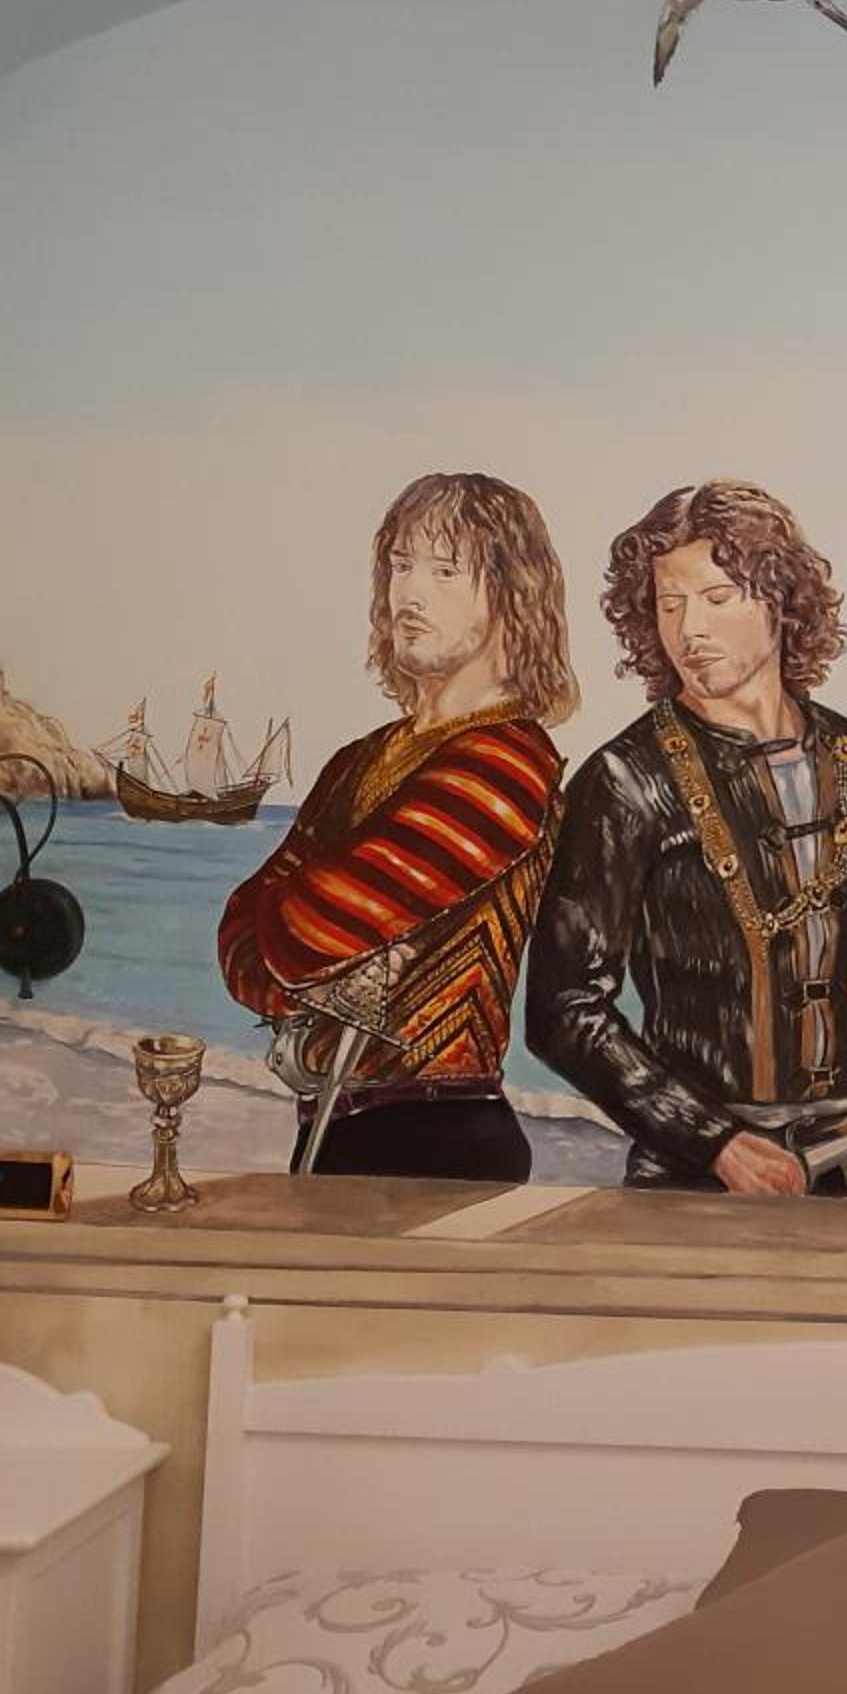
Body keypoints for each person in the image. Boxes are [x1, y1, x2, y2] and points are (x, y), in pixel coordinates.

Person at [526, 479, 847, 1195]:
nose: (689, 630)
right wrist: (711, 1140)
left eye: (717, 598)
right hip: (691, 1174)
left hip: (844, 1147)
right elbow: (563, 1010)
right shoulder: (623, 777)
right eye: (668, 604)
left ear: (780, 598)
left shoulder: (845, 750)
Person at [217, 473, 578, 1181]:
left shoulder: (509, 761)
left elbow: (304, 929)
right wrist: (294, 943)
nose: (409, 594)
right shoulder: (359, 759)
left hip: (440, 1134)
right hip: (335, 1128)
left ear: (511, 593)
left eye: (444, 572)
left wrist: (297, 940)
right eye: (400, 566)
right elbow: (239, 936)